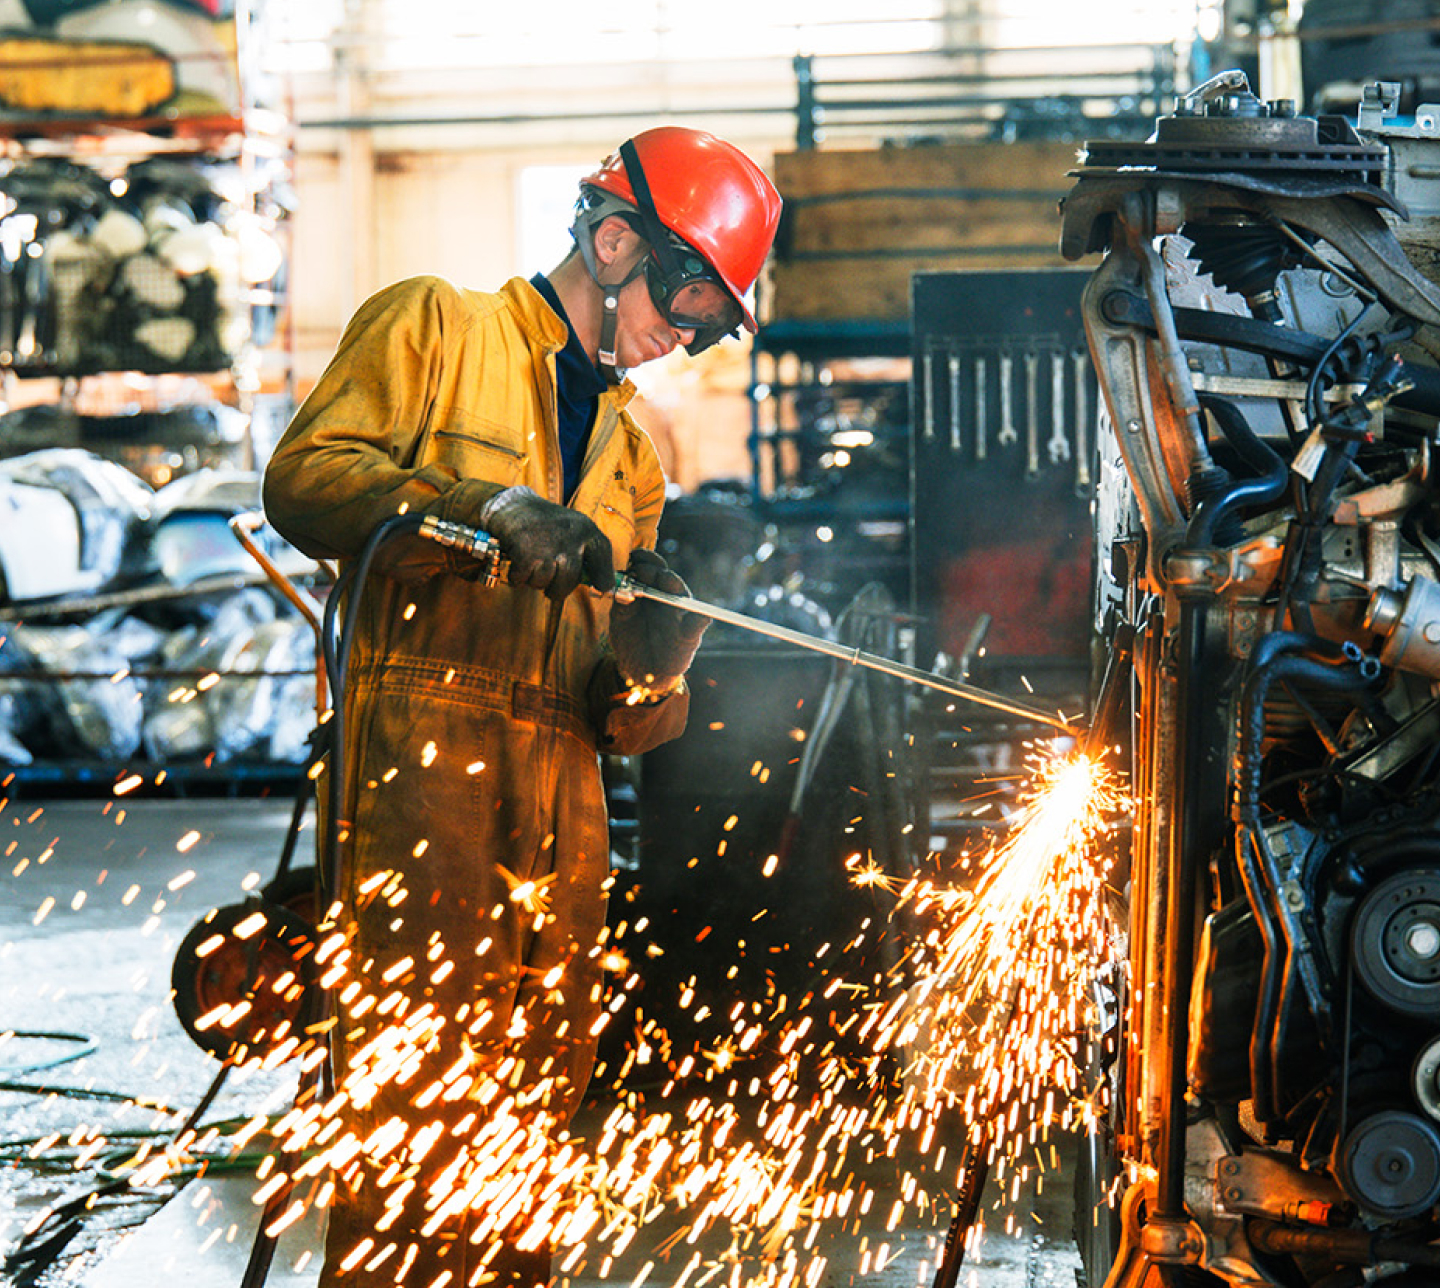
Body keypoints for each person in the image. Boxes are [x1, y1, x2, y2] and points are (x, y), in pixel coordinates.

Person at [261, 126, 782, 1287]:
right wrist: (478, 505)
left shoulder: (634, 462)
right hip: (423, 804)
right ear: (617, 242)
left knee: (532, 1137)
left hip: (561, 837)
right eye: (689, 302)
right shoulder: (435, 329)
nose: (688, 335)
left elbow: (616, 722)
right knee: (413, 1127)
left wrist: (656, 665)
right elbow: (305, 479)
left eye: (708, 324)